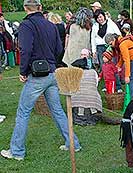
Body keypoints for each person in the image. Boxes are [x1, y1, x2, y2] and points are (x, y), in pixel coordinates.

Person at [1, 0, 80, 161]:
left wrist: (23, 71)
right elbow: (59, 49)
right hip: (52, 73)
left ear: (25, 8)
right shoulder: (50, 25)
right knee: (57, 110)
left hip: (38, 76)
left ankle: (16, 151)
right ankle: (74, 144)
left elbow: (25, 49)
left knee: (23, 112)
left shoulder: (26, 25)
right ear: (40, 7)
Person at [104, 32, 133, 98]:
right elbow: (122, 56)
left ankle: (131, 97)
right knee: (132, 77)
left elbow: (127, 60)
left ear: (114, 39)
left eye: (111, 43)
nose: (111, 46)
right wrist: (119, 65)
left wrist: (126, 76)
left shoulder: (122, 45)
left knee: (131, 78)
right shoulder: (120, 41)